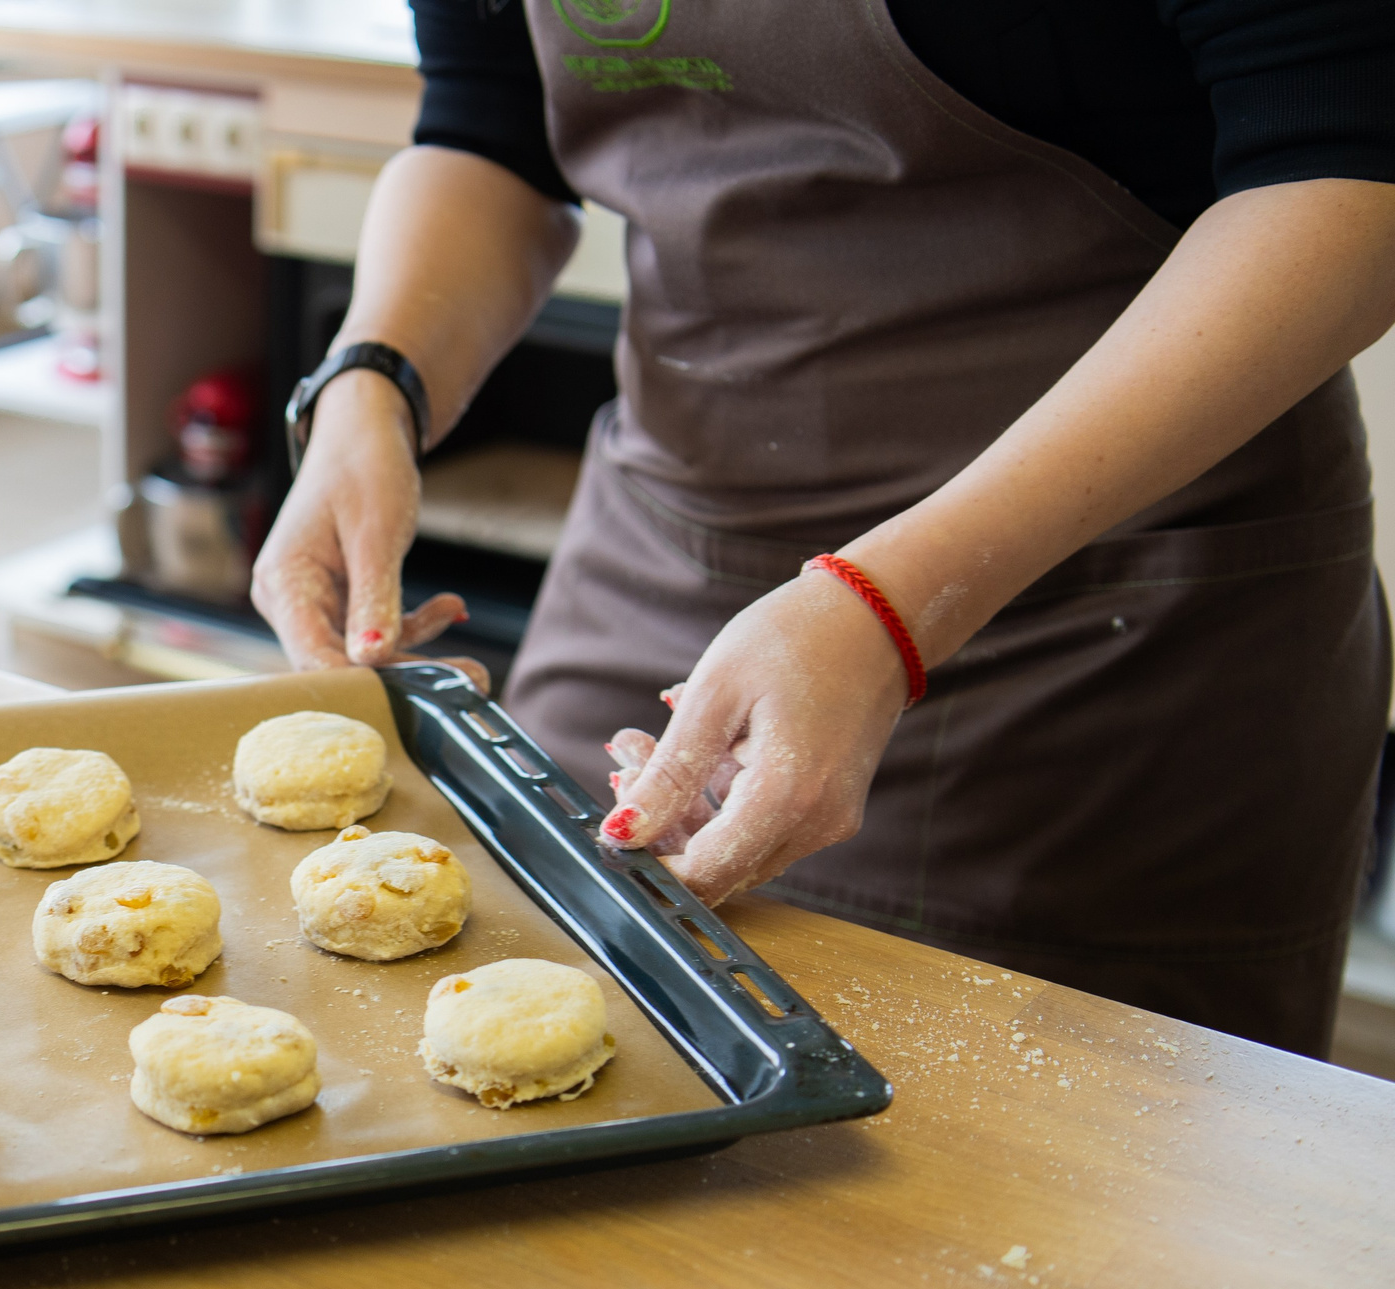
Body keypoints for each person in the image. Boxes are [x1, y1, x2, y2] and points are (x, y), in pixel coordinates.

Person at [253, 0, 1395, 1056]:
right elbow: (489, 125)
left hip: (1107, 638)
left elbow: (1346, 166)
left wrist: (893, 599)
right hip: (662, 574)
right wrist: (371, 383)